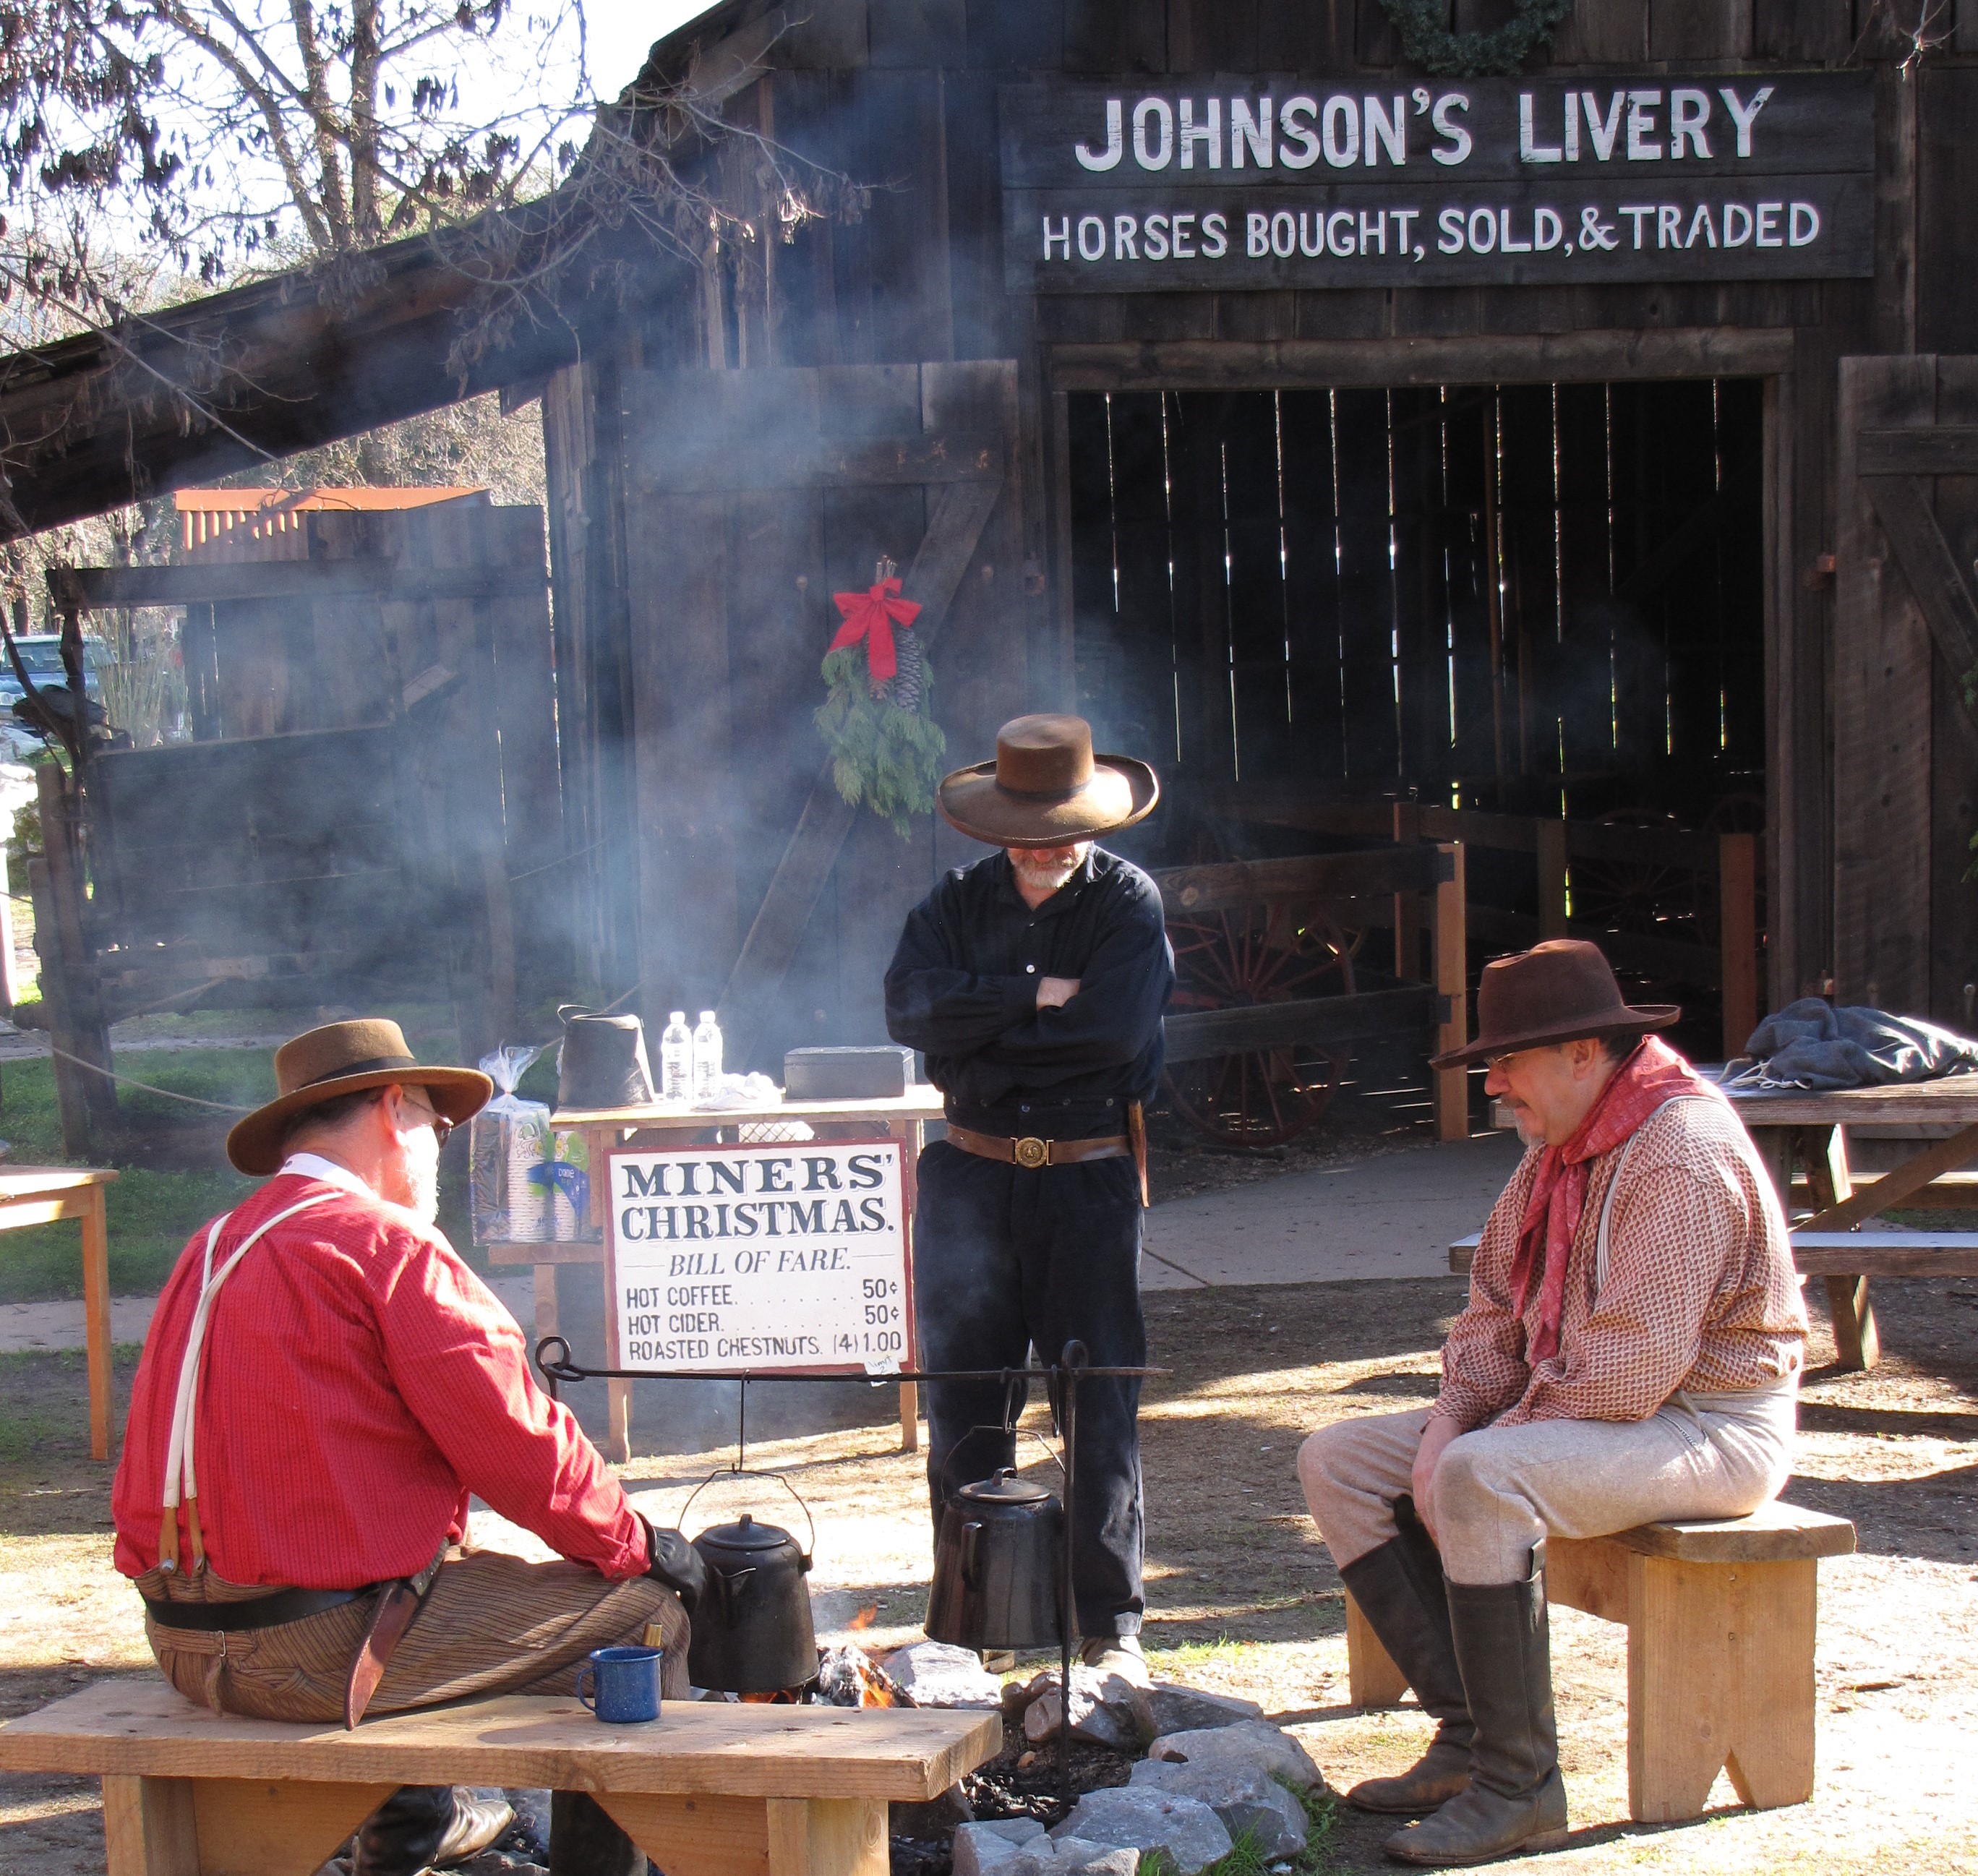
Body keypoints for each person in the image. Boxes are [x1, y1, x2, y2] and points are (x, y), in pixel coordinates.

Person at [111, 1019, 709, 1876]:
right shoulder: (386, 1244)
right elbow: (519, 1448)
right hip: (309, 1654)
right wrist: (645, 1546)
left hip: (181, 1643)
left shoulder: (210, 1247)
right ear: (394, 1110)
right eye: (437, 1123)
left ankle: (411, 1830)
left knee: (426, 1588)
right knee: (646, 1615)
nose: (441, 1146)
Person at [1298, 941, 1807, 1867]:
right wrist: (1449, 1420)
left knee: (1483, 1479)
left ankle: (1519, 1789)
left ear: (1584, 1053)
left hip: (1711, 1424)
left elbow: (1632, 1371)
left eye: (1508, 1061)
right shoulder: (1559, 1151)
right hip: (1598, 1407)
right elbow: (1494, 1311)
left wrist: (1468, 1451)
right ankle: (1467, 1741)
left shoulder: (1676, 1153)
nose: (1494, 1084)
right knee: (1335, 1460)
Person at [885, 713, 1172, 1683]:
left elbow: (1114, 1036)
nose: (1046, 846)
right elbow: (908, 1008)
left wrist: (982, 1034)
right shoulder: (954, 901)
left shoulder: (1129, 905)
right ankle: (971, 1616)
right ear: (995, 823)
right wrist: (1033, 991)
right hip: (970, 1174)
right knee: (963, 1398)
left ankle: (1110, 1623)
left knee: (1097, 1394)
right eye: (1028, 827)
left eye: (1064, 826)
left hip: (1088, 1174)